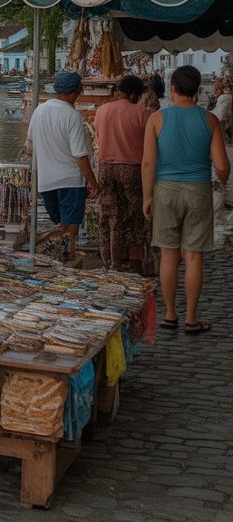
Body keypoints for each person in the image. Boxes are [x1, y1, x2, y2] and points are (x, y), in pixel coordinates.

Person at [142, 64, 229, 334]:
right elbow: (223, 166)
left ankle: (170, 314)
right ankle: (191, 318)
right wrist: (222, 182)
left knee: (168, 255)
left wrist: (147, 196)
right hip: (198, 189)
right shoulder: (210, 120)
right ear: (198, 90)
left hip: (165, 189)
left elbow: (148, 163)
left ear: (172, 89)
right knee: (194, 256)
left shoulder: (156, 119)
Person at [26, 70, 100, 260]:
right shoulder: (72, 116)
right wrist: (93, 182)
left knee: (60, 225)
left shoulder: (39, 110)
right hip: (71, 181)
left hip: (46, 181)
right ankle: (65, 264)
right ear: (78, 90)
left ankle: (55, 259)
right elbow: (80, 156)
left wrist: (49, 154)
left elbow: (29, 148)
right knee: (69, 230)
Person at [93, 74, 152, 274]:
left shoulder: (101, 111)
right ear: (134, 93)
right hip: (132, 168)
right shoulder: (143, 113)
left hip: (106, 168)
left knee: (111, 213)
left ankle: (111, 261)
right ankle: (135, 261)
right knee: (135, 214)